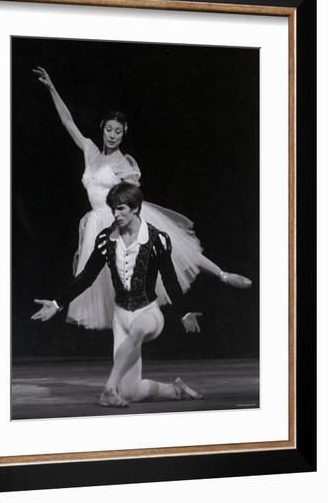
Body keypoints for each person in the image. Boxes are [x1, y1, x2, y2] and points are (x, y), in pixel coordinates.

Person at [32, 66, 251, 331]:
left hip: (121, 216)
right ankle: (125, 345)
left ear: (124, 133)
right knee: (97, 280)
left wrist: (127, 221)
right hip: (96, 221)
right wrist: (52, 87)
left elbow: (133, 196)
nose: (113, 135)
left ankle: (222, 274)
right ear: (103, 129)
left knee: (176, 253)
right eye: (109, 129)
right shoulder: (90, 150)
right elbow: (68, 122)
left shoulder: (124, 164)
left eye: (118, 131)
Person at [32, 183, 204, 407]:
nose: (116, 214)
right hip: (120, 316)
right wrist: (57, 303)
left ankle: (108, 389)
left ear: (136, 208)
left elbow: (170, 280)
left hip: (148, 313)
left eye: (121, 209)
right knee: (131, 392)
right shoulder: (106, 240)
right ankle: (175, 390)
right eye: (113, 209)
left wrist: (185, 312)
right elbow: (86, 277)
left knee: (138, 329)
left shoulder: (157, 240)